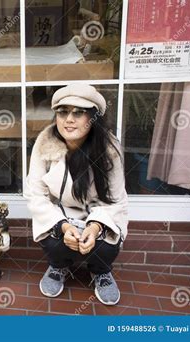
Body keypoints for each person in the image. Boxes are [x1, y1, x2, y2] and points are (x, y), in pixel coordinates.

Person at [24, 84, 128, 306]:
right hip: (60, 214)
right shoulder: (45, 142)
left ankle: (101, 270)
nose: (68, 119)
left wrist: (94, 227)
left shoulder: (110, 148)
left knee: (107, 245)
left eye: (78, 112)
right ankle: (58, 266)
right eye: (63, 112)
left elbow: (116, 199)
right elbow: (35, 194)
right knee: (55, 243)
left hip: (97, 214)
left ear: (94, 117)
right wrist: (62, 226)